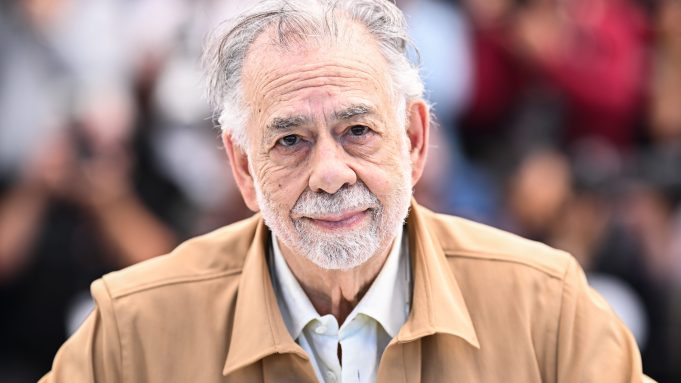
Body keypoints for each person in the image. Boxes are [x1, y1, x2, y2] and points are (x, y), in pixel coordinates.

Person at [41, 0, 653, 381]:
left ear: (414, 141)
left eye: (357, 131)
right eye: (290, 141)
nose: (331, 173)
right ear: (244, 169)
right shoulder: (134, 330)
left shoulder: (546, 308)